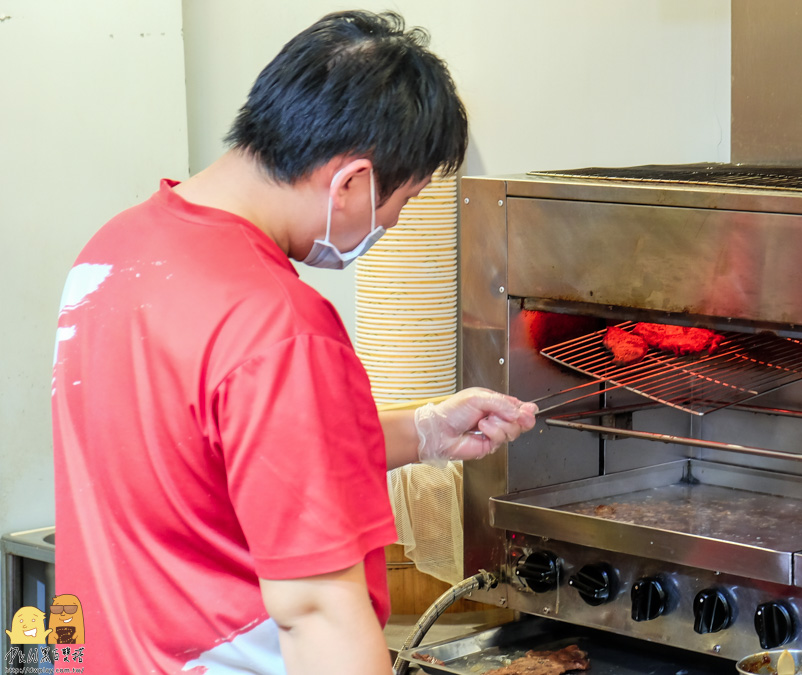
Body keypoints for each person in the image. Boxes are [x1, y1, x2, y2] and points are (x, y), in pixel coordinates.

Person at [51, 10, 536, 674]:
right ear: (352, 182)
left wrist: (424, 432)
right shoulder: (280, 328)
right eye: (405, 199)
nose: (391, 223)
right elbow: (317, 615)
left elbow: (214, 455)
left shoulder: (110, 256)